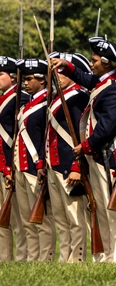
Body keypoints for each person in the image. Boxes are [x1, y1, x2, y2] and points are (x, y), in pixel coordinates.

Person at [53, 39, 116, 263]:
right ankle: (108, 253)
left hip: (106, 155)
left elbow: (107, 127)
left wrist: (85, 146)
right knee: (102, 209)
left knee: (112, 208)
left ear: (107, 64)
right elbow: (84, 78)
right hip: (97, 156)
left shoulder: (115, 90)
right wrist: (65, 66)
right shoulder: (102, 83)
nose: (91, 63)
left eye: (95, 60)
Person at [44, 52, 91, 262]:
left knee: (75, 218)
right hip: (54, 164)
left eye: (61, 70)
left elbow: (80, 134)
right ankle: (65, 257)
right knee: (61, 219)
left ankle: (77, 258)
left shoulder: (79, 96)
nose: (57, 75)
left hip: (68, 165)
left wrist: (77, 166)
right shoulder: (56, 97)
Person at [13, 58, 55, 261]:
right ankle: (31, 257)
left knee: (42, 219)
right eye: (25, 79)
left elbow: (45, 138)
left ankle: (45, 258)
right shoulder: (26, 104)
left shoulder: (48, 103)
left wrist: (41, 164)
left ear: (42, 80)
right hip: (21, 167)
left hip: (34, 167)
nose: (25, 83)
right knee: (26, 218)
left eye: (29, 79)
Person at [0, 56, 28, 261]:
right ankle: (4, 257)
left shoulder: (21, 98)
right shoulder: (3, 99)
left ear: (12, 77)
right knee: (3, 218)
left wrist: (10, 165)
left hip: (11, 163)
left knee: (18, 218)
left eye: (0, 74)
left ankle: (23, 256)